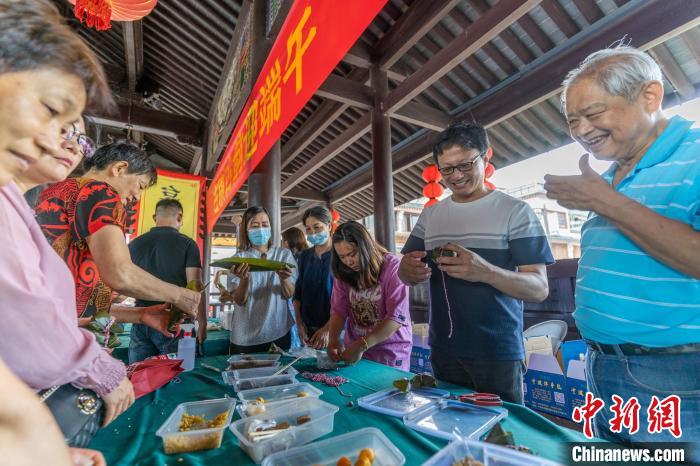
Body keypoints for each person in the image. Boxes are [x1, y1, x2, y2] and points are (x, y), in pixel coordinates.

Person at [544, 47, 700, 449]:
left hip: (674, 373)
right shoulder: (611, 176)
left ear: (650, 96)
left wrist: (604, 202)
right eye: (573, 121)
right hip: (604, 363)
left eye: (594, 114)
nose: (581, 130)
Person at [0, 0, 132, 445]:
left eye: (74, 132)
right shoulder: (98, 195)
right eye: (51, 112)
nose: (58, 141)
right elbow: (22, 323)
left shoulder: (24, 199)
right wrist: (101, 368)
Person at [399, 122, 553, 404]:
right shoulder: (430, 217)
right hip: (443, 349)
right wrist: (406, 271)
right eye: (447, 169)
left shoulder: (516, 211)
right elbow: (406, 271)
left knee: (503, 435)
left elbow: (539, 288)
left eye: (466, 164)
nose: (456, 176)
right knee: (450, 431)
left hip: (498, 353)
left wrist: (485, 271)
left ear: (486, 156)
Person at [35, 142, 200, 328]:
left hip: (41, 322)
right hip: (56, 335)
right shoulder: (100, 192)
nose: (137, 196)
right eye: (140, 185)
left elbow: (77, 302)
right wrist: (179, 295)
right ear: (119, 168)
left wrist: (141, 314)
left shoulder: (53, 192)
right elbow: (119, 273)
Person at [128, 198, 207, 363]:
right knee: (179, 376)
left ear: (154, 217)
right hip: (176, 322)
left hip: (141, 319)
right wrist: (202, 322)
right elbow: (195, 286)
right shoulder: (188, 244)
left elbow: (125, 283)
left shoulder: (134, 245)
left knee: (139, 377)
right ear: (179, 217)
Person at [327, 221, 412, 370]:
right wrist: (333, 340)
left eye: (352, 254)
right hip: (354, 351)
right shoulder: (342, 271)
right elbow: (339, 311)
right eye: (342, 257)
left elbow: (396, 318)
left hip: (389, 352)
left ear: (365, 246)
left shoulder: (392, 267)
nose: (348, 261)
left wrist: (362, 345)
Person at [227, 206, 298, 352]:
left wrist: (284, 279)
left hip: (278, 332)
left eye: (265, 225)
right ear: (246, 230)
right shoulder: (238, 259)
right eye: (254, 225)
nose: (261, 229)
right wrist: (244, 279)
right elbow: (239, 300)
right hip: (245, 337)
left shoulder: (284, 256)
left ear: (271, 228)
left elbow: (289, 294)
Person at [294, 206, 334, 349]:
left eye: (317, 227)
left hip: (337, 329)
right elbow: (298, 294)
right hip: (308, 329)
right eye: (308, 229)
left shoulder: (341, 255)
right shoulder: (305, 256)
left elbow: (348, 298)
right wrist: (299, 324)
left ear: (329, 226)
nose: (313, 233)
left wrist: (328, 329)